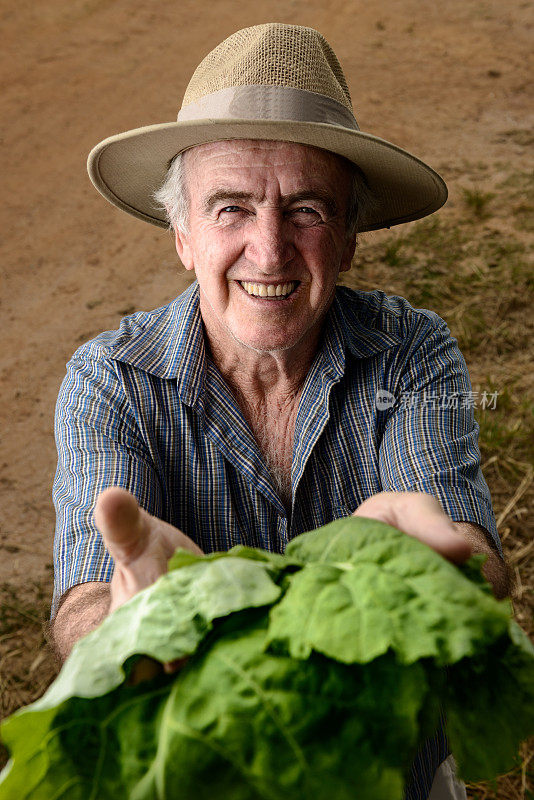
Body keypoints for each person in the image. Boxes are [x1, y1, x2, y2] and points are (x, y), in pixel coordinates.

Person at [50, 23, 509, 800]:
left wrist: (429, 571)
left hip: (387, 771)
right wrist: (132, 621)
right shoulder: (109, 380)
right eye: (230, 209)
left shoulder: (412, 353)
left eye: (305, 210)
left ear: (350, 238)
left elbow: (480, 561)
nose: (269, 251)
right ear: (183, 235)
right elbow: (84, 605)